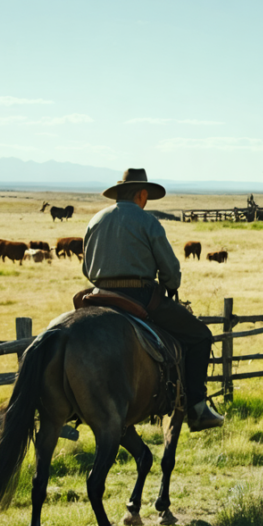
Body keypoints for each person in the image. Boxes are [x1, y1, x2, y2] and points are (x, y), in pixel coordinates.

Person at [82, 168, 224, 431]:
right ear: (142, 194)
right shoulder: (148, 222)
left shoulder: (96, 220)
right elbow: (170, 272)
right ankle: (197, 408)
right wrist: (170, 284)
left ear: (119, 193)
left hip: (99, 295)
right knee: (200, 336)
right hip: (139, 296)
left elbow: (86, 269)